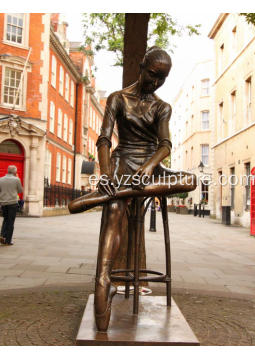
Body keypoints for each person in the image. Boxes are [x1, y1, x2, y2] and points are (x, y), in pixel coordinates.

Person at [69, 47, 196, 332]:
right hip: (122, 163)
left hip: (151, 168)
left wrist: (150, 167)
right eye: (153, 75)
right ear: (141, 66)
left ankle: (129, 190)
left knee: (190, 179)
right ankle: (103, 279)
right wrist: (105, 174)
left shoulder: (163, 107)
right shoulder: (117, 99)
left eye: (162, 79)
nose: (155, 83)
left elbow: (164, 145)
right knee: (114, 209)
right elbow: (104, 139)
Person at [0, 165, 23, 245]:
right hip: (12, 203)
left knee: (5, 220)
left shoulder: (1, 179)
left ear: (7, 171)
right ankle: (8, 240)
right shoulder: (16, 179)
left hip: (3, 203)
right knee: (11, 222)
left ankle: (2, 236)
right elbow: (20, 190)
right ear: (15, 172)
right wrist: (18, 179)